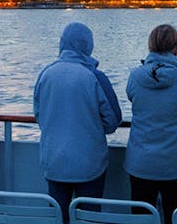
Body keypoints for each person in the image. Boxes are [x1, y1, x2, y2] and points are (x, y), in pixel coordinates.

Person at [33, 22, 122, 223]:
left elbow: (39, 115)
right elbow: (113, 120)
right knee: (88, 217)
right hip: (89, 163)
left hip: (54, 161)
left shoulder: (45, 74)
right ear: (88, 45)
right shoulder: (94, 76)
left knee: (57, 216)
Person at [124, 24, 177, 224]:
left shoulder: (135, 76)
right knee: (176, 217)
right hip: (176, 164)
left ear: (150, 46)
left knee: (141, 219)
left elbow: (132, 97)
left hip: (140, 163)